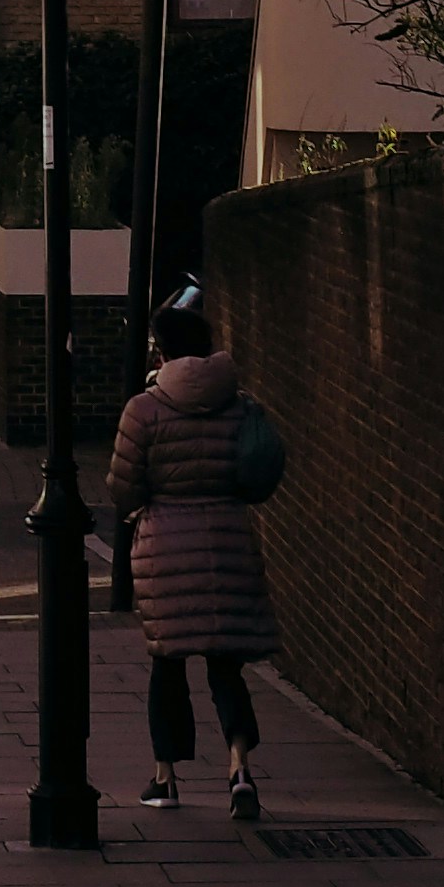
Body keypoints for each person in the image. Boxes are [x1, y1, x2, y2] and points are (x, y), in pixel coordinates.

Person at [105, 300, 281, 816]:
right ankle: (239, 768)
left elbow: (123, 486)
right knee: (227, 666)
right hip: (228, 540)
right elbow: (256, 472)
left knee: (168, 663)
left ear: (163, 352)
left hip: (166, 550)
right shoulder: (239, 404)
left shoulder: (144, 410)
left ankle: (166, 778)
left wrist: (143, 505)